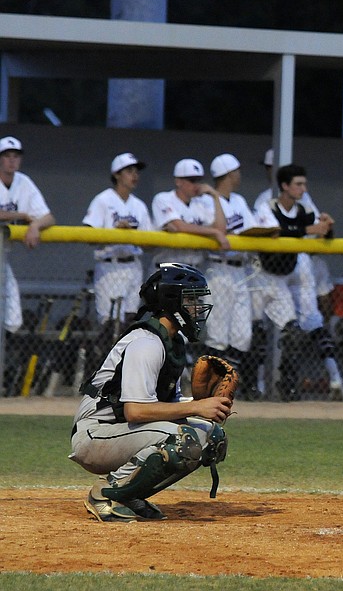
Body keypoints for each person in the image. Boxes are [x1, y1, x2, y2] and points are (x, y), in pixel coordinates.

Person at [68, 262, 229, 522]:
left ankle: (128, 493)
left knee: (211, 437)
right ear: (171, 302)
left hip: (122, 431)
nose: (197, 308)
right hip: (96, 434)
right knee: (183, 441)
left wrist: (204, 404)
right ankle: (106, 493)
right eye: (190, 300)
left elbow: (165, 405)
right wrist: (197, 407)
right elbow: (136, 410)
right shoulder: (146, 343)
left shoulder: (171, 342)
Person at [253, 163, 343, 401]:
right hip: (262, 273)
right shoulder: (267, 206)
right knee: (253, 332)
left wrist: (327, 227)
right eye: (298, 184)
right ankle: (252, 386)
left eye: (304, 184)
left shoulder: (303, 209)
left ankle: (288, 386)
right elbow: (277, 231)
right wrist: (308, 228)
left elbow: (321, 232)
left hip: (287, 272)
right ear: (284, 186)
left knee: (294, 330)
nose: (304, 189)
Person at [202, 153, 276, 380]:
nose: (239, 175)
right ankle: (211, 383)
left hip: (240, 270)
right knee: (217, 334)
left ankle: (225, 379)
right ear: (228, 174)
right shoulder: (207, 201)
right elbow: (217, 229)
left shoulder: (239, 201)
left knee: (242, 335)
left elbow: (250, 229)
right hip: (218, 269)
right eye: (237, 171)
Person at [82, 153, 153, 328]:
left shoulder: (139, 205)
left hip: (133, 265)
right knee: (111, 323)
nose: (135, 175)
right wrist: (115, 233)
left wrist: (132, 235)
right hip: (109, 266)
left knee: (130, 322)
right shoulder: (103, 200)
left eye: (136, 171)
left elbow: (150, 244)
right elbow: (87, 236)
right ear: (116, 175)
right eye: (129, 171)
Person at [0, 136, 55, 335]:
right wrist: (20, 215)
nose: (12, 160)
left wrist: (35, 227)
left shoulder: (23, 182)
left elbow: (48, 217)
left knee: (13, 318)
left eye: (15, 156)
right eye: (7, 156)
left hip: (2, 259)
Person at [150, 158, 230, 272]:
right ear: (178, 181)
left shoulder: (202, 203)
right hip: (168, 268)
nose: (196, 185)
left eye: (199, 180)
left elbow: (221, 229)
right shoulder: (163, 198)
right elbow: (179, 226)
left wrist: (215, 197)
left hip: (195, 270)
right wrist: (213, 231)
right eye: (192, 180)